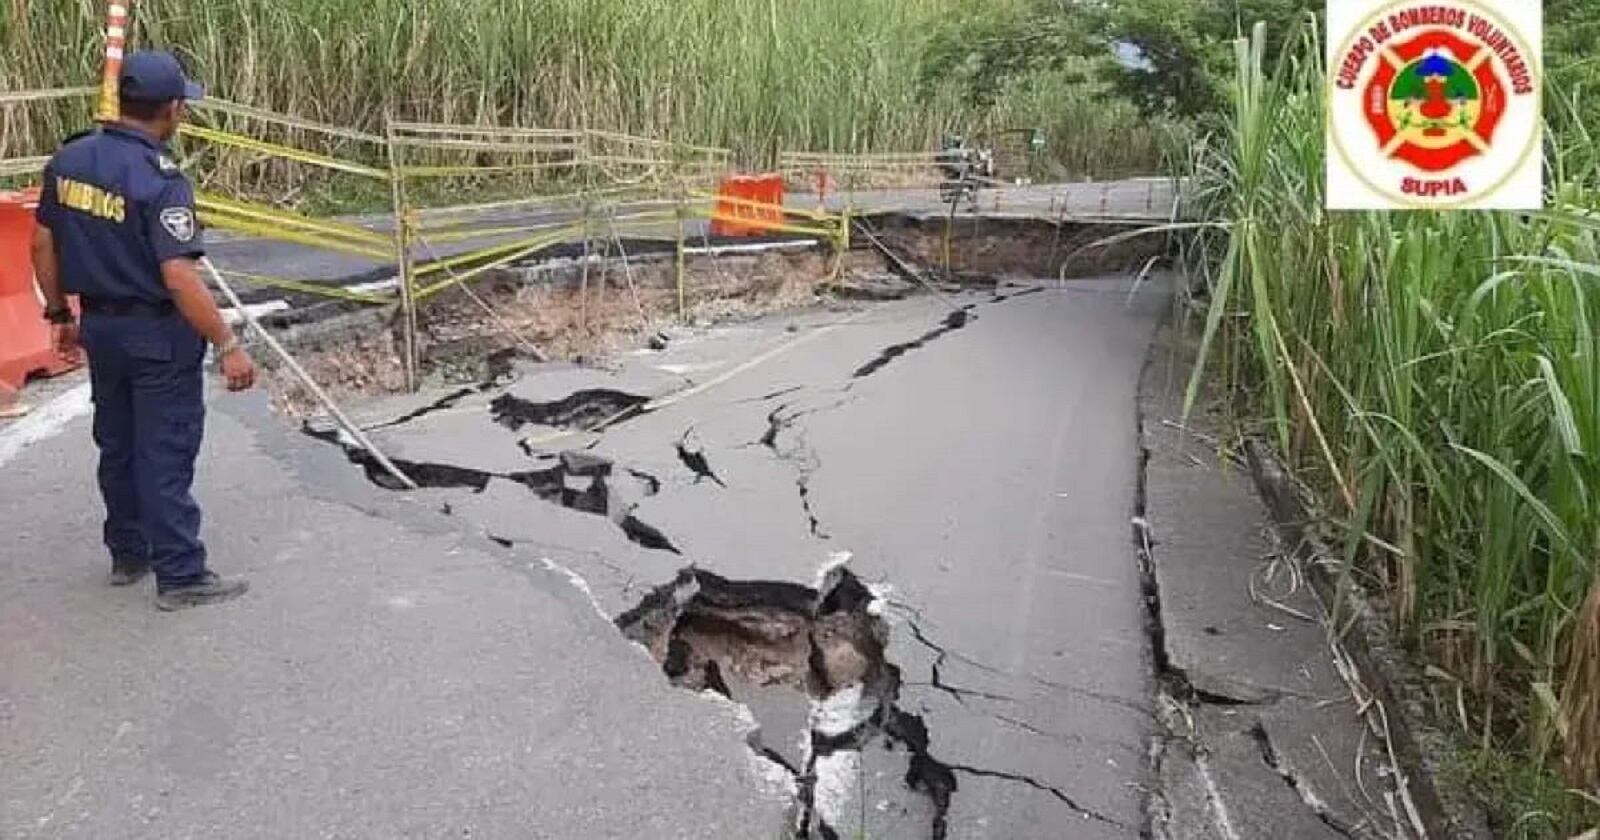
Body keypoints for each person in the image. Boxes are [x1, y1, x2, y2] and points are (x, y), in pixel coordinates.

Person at [31, 50, 256, 611]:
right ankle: (180, 573)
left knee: (119, 443)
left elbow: (42, 243)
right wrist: (227, 344)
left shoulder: (70, 160)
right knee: (164, 449)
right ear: (173, 108)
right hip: (157, 333)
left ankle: (127, 552)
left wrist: (59, 315)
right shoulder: (162, 181)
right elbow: (179, 276)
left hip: (100, 327)